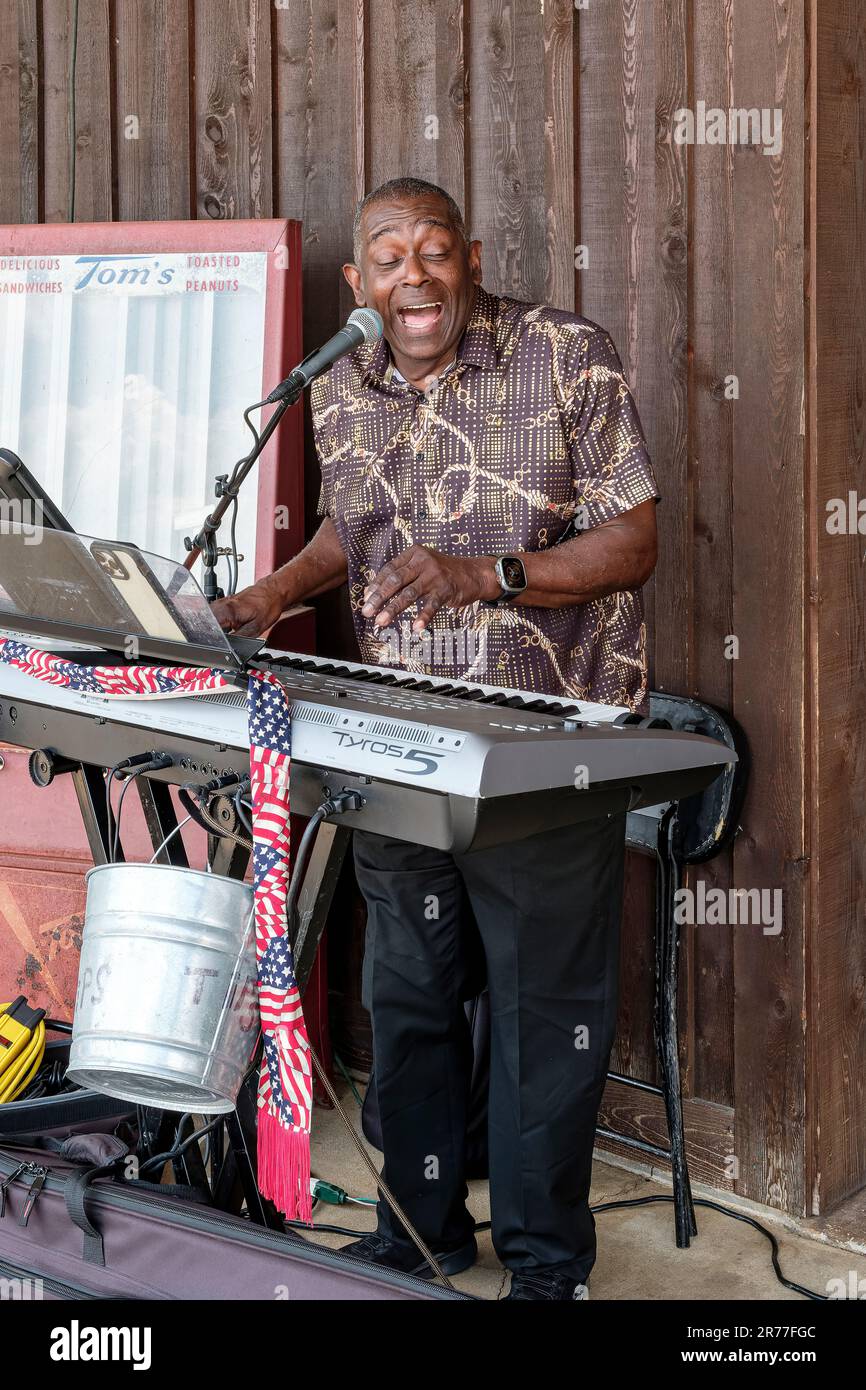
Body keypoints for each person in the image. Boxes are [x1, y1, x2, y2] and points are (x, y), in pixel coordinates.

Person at [213, 176, 659, 1300]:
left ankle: (546, 1267)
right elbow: (348, 528)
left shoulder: (564, 354)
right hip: (398, 742)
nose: (414, 275)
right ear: (358, 283)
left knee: (537, 1018)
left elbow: (635, 537)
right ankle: (421, 1233)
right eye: (388, 257)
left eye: (434, 251)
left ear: (466, 259)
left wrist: (488, 576)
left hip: (545, 751)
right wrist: (271, 594)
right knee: (406, 1002)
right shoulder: (346, 386)